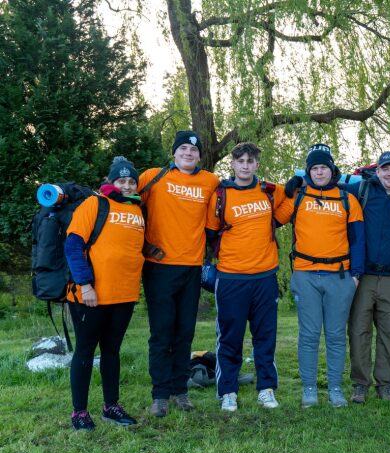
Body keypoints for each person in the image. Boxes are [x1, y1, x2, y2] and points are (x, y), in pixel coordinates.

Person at [276, 143, 365, 408]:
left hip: (339, 276)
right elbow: (273, 219)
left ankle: (335, 389)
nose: (319, 172)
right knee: (309, 334)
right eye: (314, 168)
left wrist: (356, 276)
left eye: (323, 167)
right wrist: (285, 188)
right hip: (305, 274)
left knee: (336, 335)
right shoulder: (298, 196)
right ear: (308, 172)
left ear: (332, 170)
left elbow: (358, 240)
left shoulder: (348, 199)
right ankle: (309, 390)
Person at [139, 131, 220, 417]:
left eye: (194, 150)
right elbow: (124, 201)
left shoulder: (210, 181)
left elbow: (231, 201)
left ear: (200, 156)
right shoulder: (152, 177)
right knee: (162, 333)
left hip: (192, 267)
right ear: (174, 152)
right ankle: (160, 394)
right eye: (183, 148)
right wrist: (143, 244)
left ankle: (180, 390)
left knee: (185, 332)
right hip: (159, 267)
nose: (188, 153)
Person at [65, 156, 145, 430]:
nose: (126, 185)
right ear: (110, 182)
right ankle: (80, 412)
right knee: (85, 351)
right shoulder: (94, 204)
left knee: (111, 351)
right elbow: (73, 246)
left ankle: (111, 406)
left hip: (124, 295)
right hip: (91, 296)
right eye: (120, 181)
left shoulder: (137, 210)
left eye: (131, 181)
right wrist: (85, 284)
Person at [205, 143, 285, 412]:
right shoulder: (221, 195)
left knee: (265, 336)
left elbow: (294, 199)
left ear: (257, 165)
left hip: (264, 276)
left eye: (251, 161)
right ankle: (227, 391)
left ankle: (266, 389)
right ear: (233, 164)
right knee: (230, 337)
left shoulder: (268, 191)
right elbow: (210, 232)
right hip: (231, 278)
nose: (246, 165)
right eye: (241, 161)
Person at [345, 151, 390, 403]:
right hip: (362, 276)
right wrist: (300, 183)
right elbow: (330, 187)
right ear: (377, 171)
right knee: (358, 331)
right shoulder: (361, 191)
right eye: (385, 169)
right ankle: (360, 384)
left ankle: (385, 383)